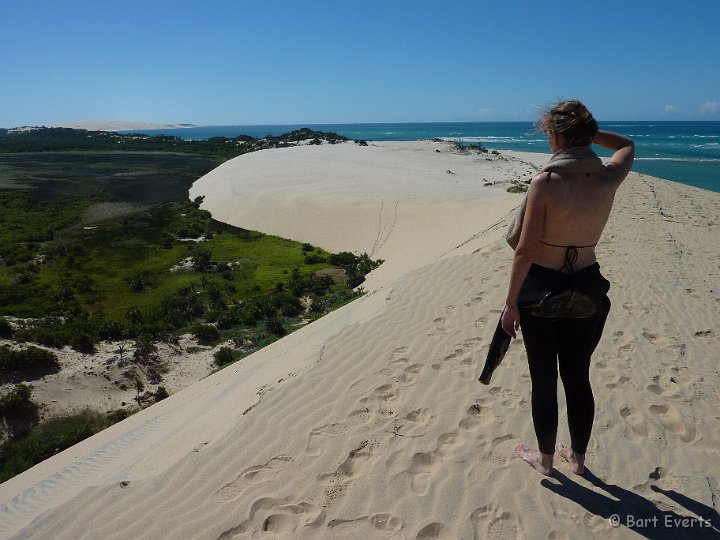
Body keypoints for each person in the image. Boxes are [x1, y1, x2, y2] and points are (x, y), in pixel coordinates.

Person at [501, 100, 634, 476]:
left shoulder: (547, 182)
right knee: (578, 377)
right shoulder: (608, 178)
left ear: (557, 135)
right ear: (585, 136)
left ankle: (544, 461)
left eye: (549, 132)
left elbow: (525, 249)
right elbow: (627, 145)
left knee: (544, 380)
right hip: (588, 288)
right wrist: (590, 134)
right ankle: (577, 460)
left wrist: (511, 302)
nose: (546, 138)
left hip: (542, 286)